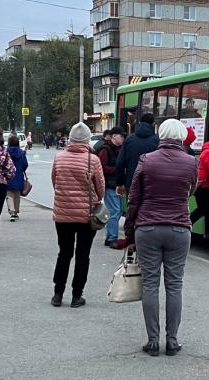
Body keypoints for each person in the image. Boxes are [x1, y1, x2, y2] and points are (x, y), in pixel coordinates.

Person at [124, 119, 198, 357]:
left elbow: (134, 197)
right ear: (181, 137)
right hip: (179, 228)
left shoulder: (146, 160)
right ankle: (172, 341)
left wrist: (129, 229)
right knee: (175, 285)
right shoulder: (191, 162)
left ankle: (153, 341)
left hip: (148, 228)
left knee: (150, 284)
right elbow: (191, 189)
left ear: (161, 135)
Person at [51, 122, 105, 308]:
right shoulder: (93, 160)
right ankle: (76, 296)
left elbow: (54, 181)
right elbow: (100, 188)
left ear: (71, 139)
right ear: (87, 140)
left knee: (64, 253)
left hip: (62, 214)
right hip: (86, 215)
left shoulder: (59, 157)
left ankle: (58, 294)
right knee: (83, 255)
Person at [115, 113, 159, 196]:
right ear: (153, 124)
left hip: (132, 184)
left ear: (139, 123)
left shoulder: (129, 139)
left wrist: (120, 183)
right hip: (151, 185)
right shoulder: (158, 140)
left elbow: (120, 163)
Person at [97, 126, 125, 248]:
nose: (123, 138)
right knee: (115, 211)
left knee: (118, 210)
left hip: (119, 185)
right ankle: (112, 238)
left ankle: (110, 236)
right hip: (110, 185)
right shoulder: (105, 149)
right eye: (121, 136)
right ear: (114, 136)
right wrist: (118, 169)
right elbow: (101, 167)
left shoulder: (120, 149)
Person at [190, 137, 209, 225]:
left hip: (201, 184)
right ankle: (187, 223)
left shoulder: (206, 150)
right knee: (203, 209)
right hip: (204, 186)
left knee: (206, 210)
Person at [6, 134, 28, 222]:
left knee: (9, 194)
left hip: (8, 175)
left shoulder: (6, 152)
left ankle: (11, 211)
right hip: (18, 175)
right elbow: (25, 164)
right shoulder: (21, 153)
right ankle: (15, 212)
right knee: (17, 195)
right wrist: (21, 169)